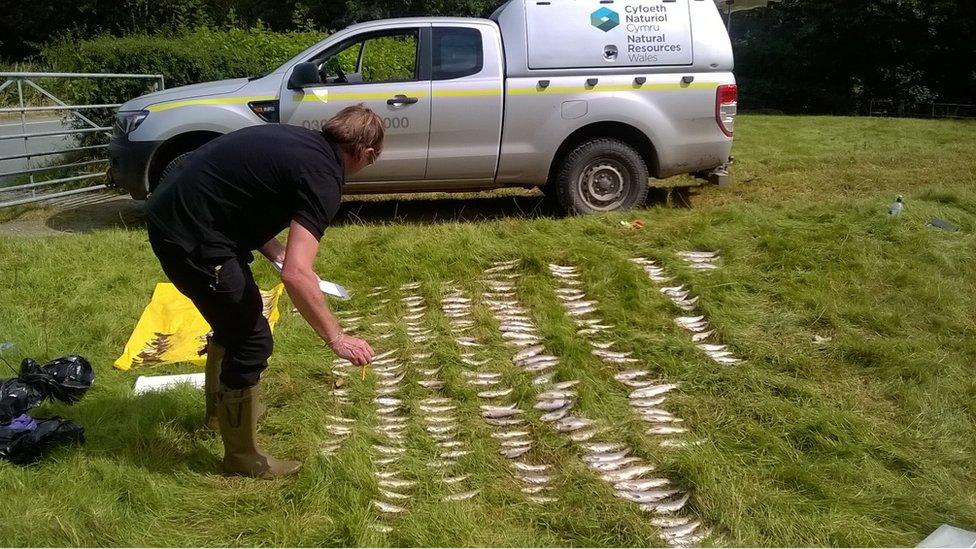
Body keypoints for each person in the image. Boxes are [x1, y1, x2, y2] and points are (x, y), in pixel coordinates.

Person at [145, 104, 381, 479]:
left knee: (236, 321)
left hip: (179, 214)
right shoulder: (324, 176)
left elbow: (242, 196)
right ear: (367, 153)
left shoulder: (300, 142)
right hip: (189, 234)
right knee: (252, 339)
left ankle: (219, 417)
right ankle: (241, 457)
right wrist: (337, 338)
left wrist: (273, 248)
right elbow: (297, 276)